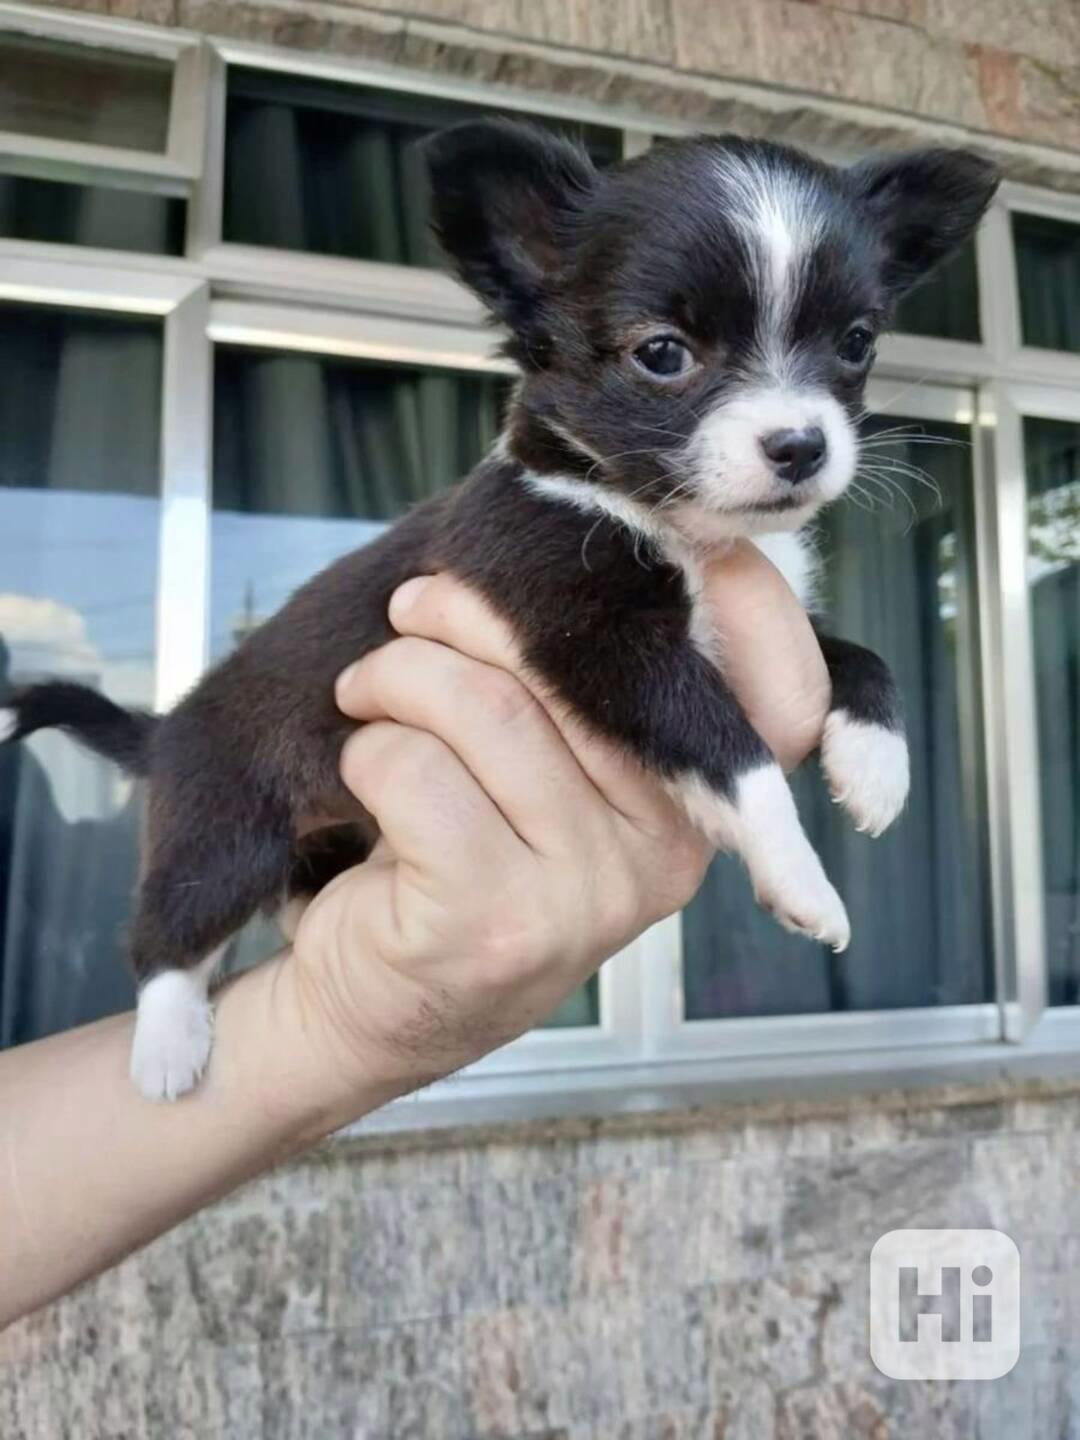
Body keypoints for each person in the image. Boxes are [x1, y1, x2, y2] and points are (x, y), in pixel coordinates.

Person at [0, 544, 830, 1329]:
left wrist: (334, 1023)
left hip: (331, 785)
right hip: (247, 750)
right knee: (216, 876)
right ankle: (166, 980)